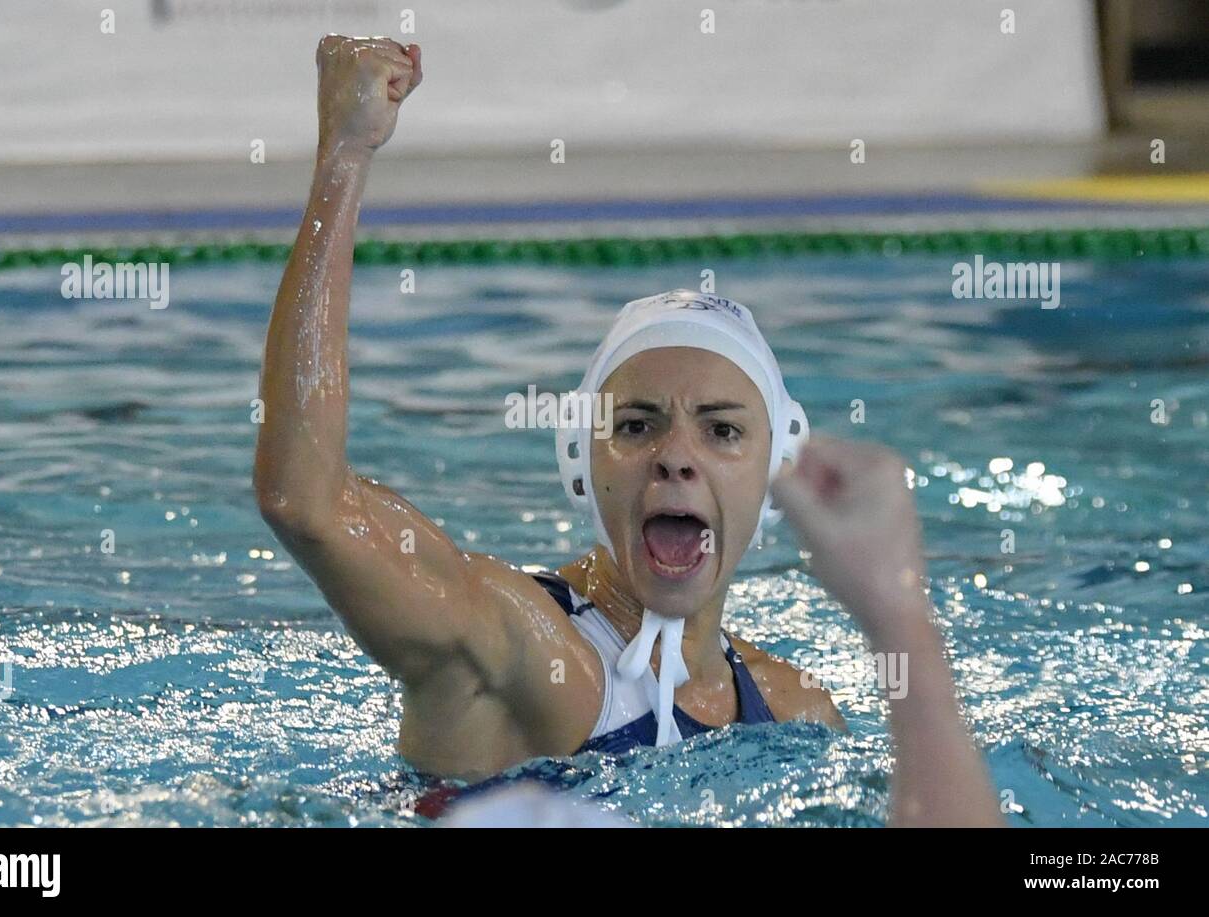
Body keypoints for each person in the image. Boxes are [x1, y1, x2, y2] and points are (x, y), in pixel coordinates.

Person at [254, 34, 1003, 826]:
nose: (677, 457)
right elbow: (306, 501)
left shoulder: (798, 713)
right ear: (579, 458)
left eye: (721, 431)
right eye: (638, 425)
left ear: (778, 468)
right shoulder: (518, 648)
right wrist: (344, 155)